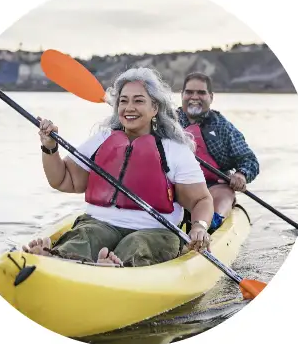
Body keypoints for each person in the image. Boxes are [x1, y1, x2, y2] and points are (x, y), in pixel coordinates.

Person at [23, 67, 214, 267]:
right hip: (99, 224)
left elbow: (201, 199)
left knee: (136, 243)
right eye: (123, 101)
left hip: (155, 232)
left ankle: (113, 267)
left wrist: (199, 227)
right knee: (88, 235)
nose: (129, 107)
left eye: (138, 100)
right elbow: (63, 180)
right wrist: (49, 147)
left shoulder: (173, 149)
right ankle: (59, 257)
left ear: (155, 108)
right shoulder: (102, 139)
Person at [177, 72, 259, 231]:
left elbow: (249, 160)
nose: (194, 97)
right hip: (176, 186)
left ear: (211, 97)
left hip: (212, 189)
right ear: (182, 95)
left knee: (225, 191)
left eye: (201, 92)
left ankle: (211, 222)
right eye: (189, 92)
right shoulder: (167, 122)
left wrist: (241, 175)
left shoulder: (223, 127)